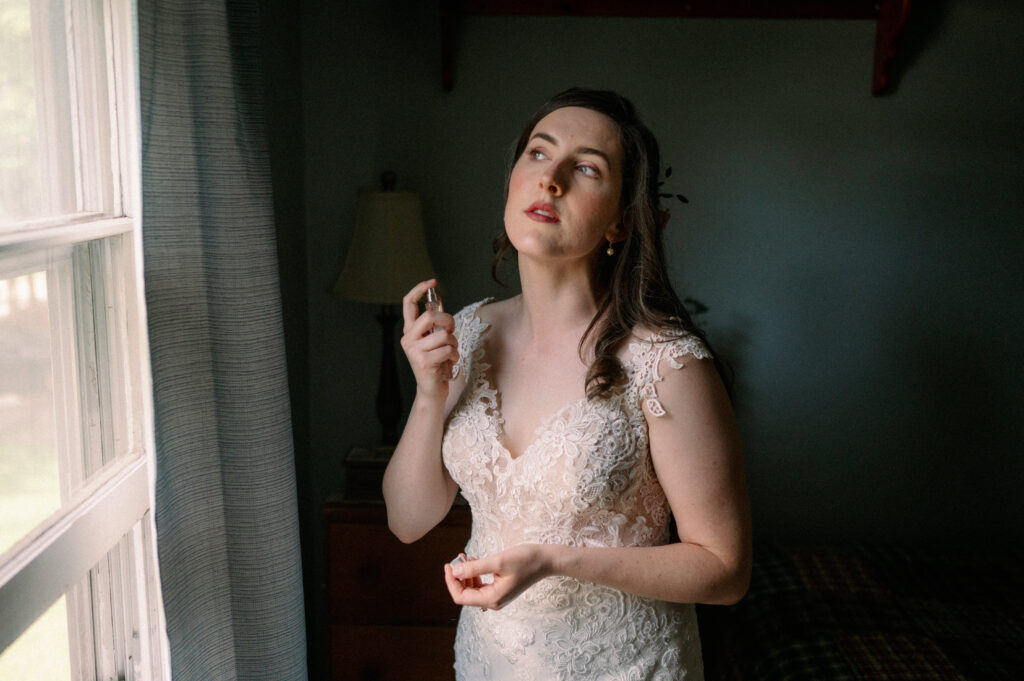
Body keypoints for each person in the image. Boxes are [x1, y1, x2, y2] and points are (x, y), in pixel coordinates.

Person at [382, 87, 751, 681]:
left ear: (619, 222)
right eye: (537, 154)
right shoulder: (469, 333)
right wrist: (428, 394)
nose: (549, 179)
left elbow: (726, 570)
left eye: (585, 168)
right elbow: (407, 520)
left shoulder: (667, 365)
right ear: (511, 183)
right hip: (488, 664)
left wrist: (554, 561)